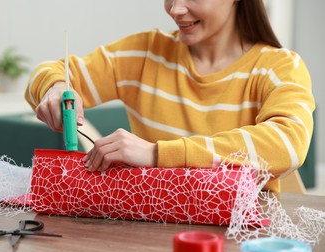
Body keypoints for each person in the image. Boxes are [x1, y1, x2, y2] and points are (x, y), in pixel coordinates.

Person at [25, 0, 315, 192]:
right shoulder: (145, 53)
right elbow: (50, 71)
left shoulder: (280, 67)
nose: (175, 9)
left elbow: (288, 144)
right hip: (150, 231)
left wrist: (156, 154)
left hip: (242, 240)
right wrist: (54, 87)